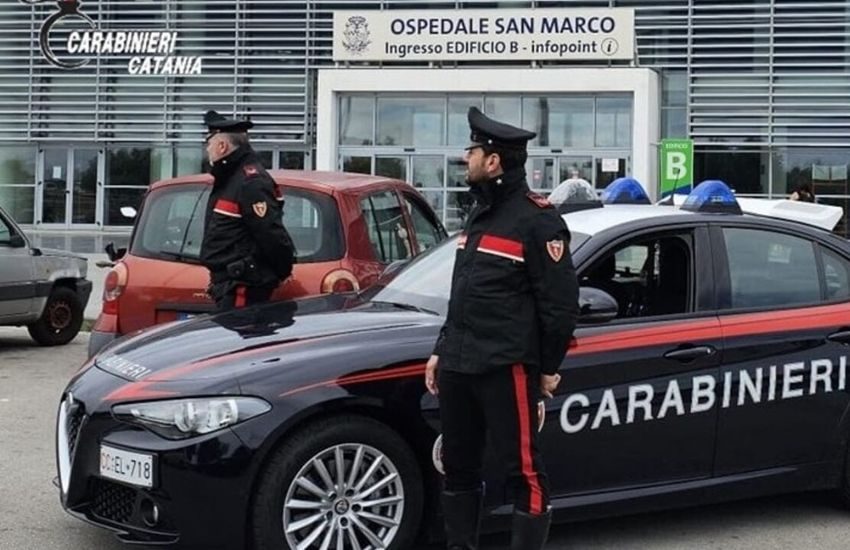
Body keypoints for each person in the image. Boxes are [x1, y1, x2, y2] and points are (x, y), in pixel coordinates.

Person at [424, 107, 580, 550]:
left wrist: (546, 368)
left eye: (472, 150)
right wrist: (441, 349)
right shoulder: (478, 216)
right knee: (457, 467)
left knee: (523, 471)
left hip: (505, 364)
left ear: (493, 160)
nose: (466, 157)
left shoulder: (538, 220)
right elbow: (463, 295)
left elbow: (560, 307)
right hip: (459, 363)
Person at [200, 110, 295, 311]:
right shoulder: (230, 178)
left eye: (209, 143)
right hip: (228, 284)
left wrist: (282, 270)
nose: (207, 149)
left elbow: (271, 233)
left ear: (222, 146)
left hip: (243, 286)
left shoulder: (249, 182)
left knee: (242, 339)